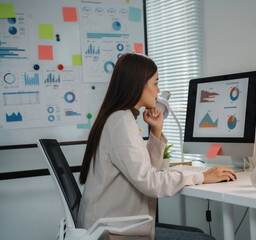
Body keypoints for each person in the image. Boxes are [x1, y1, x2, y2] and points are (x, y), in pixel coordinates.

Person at [77, 52, 237, 239]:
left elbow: (146, 171)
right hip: (111, 233)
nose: (158, 90)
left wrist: (156, 131)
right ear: (138, 84)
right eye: (155, 83)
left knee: (198, 234)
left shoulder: (121, 118)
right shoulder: (120, 121)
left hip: (114, 226)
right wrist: (202, 176)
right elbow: (150, 182)